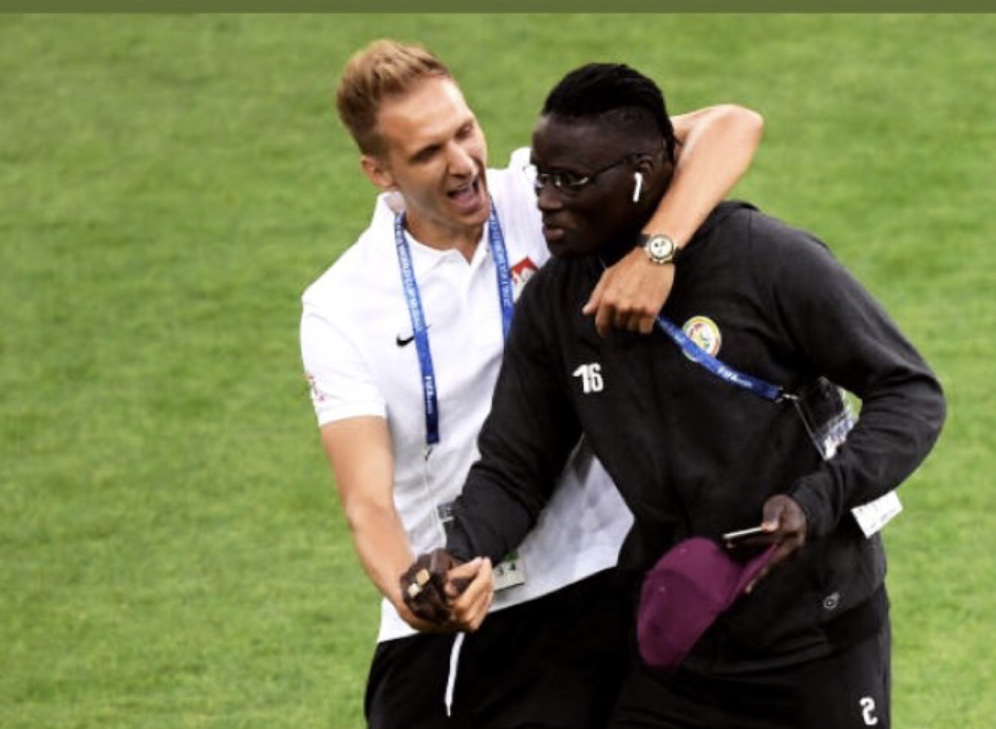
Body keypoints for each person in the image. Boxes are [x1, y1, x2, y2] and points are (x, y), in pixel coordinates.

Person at [420, 63, 946, 729]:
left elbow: (909, 392)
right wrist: (460, 550)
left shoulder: (765, 260)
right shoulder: (556, 304)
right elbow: (515, 466)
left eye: (571, 180)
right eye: (541, 177)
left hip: (817, 640)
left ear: (644, 170)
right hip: (677, 647)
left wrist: (819, 496)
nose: (546, 200)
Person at [299, 39, 763, 729]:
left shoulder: (545, 195)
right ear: (378, 171)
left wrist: (654, 249)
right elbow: (366, 502)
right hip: (476, 600)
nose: (462, 163)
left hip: (610, 566)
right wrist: (421, 590)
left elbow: (732, 124)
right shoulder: (341, 304)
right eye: (427, 153)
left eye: (464, 130)